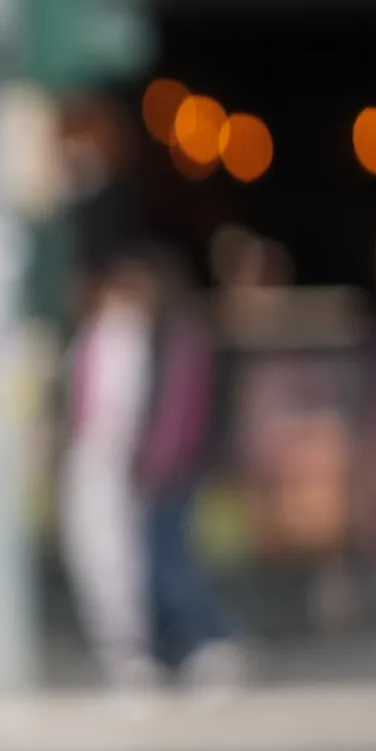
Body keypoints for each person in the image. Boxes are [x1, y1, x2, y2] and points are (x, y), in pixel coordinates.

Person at [133, 248, 242, 692]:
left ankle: (212, 639)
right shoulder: (172, 337)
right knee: (161, 558)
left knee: (168, 560)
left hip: (173, 468)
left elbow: (178, 416)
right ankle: (174, 649)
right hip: (172, 466)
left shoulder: (180, 342)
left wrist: (156, 463)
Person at [59, 246, 162, 693]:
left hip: (111, 457)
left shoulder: (126, 337)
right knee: (92, 551)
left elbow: (120, 408)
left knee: (116, 556)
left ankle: (129, 651)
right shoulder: (93, 336)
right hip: (90, 455)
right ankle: (116, 649)